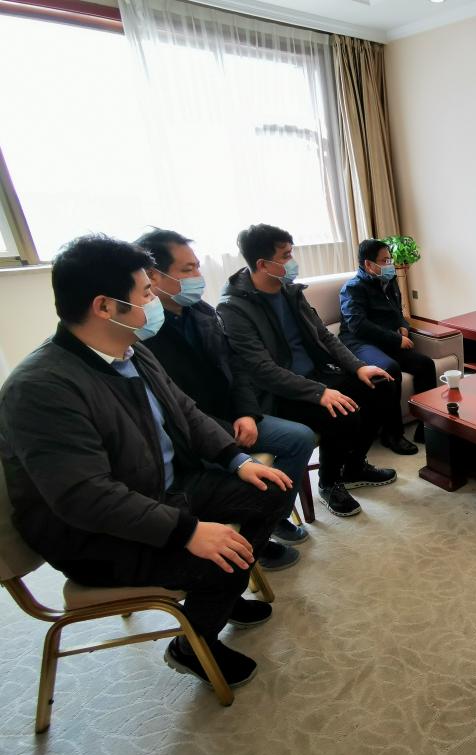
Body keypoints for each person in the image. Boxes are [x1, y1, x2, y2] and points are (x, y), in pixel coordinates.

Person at [0, 235, 293, 687]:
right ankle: (193, 643)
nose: (155, 300)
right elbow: (85, 498)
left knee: (270, 488)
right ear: (105, 306)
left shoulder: (132, 349)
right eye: (146, 293)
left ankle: (216, 598)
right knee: (215, 557)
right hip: (98, 536)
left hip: (163, 490)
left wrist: (237, 460)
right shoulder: (42, 388)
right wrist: (188, 531)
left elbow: (187, 412)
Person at [136, 228, 315, 566]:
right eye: (187, 270)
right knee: (231, 477)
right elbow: (173, 409)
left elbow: (236, 365)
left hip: (234, 416)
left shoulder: (202, 312)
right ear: (153, 277)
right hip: (194, 434)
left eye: (197, 266)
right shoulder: (144, 334)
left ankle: (269, 521)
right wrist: (225, 432)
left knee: (299, 438)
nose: (198, 276)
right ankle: (252, 538)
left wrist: (246, 412)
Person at [218, 224, 397, 519]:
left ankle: (354, 467)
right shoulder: (233, 309)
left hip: (316, 374)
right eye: (286, 256)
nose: (293, 261)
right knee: (343, 413)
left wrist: (359, 366)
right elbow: (262, 369)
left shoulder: (291, 291)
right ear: (263, 264)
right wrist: (320, 393)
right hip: (278, 392)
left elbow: (324, 336)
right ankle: (329, 483)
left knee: (381, 385)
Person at [340, 239, 436, 455]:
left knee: (425, 364)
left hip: (386, 340)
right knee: (390, 368)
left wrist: (403, 327)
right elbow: (357, 325)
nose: (390, 264)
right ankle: (392, 434)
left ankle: (426, 425)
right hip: (360, 342)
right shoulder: (353, 288)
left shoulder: (389, 281)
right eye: (384, 261)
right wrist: (395, 339)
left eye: (389, 259)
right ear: (368, 264)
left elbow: (397, 311)